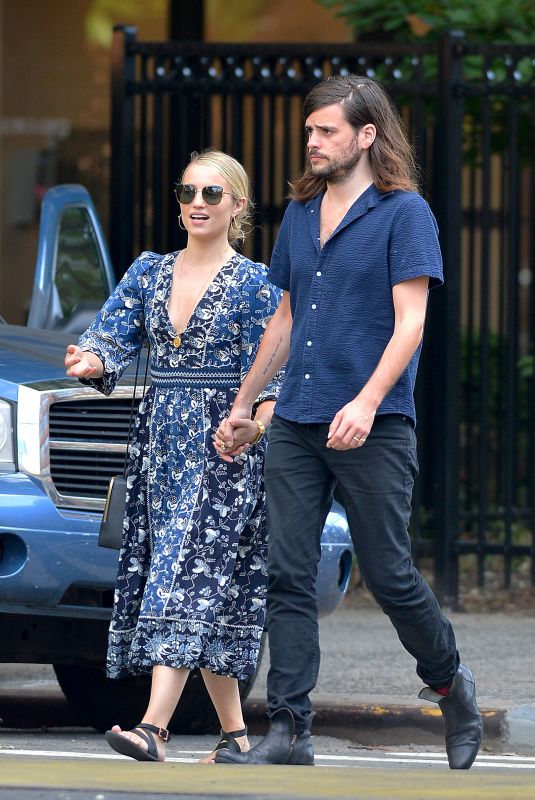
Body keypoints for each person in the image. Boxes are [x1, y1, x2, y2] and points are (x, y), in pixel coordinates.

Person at [213, 75, 483, 770]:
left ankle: (452, 687)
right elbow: (284, 319)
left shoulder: (404, 213)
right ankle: (289, 730)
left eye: (326, 131)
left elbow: (411, 323)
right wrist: (246, 403)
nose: (312, 142)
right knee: (286, 575)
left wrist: (364, 401)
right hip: (296, 421)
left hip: (375, 422)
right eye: (309, 131)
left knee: (390, 575)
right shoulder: (301, 213)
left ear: (366, 135)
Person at [64, 149, 283, 763]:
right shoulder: (149, 273)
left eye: (213, 194)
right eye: (188, 192)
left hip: (223, 449)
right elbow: (111, 335)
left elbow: (273, 374)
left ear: (238, 206)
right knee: (209, 590)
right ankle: (237, 737)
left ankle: (152, 728)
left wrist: (255, 426)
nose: (197, 204)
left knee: (180, 578)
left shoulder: (256, 285)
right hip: (160, 447)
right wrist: (93, 360)